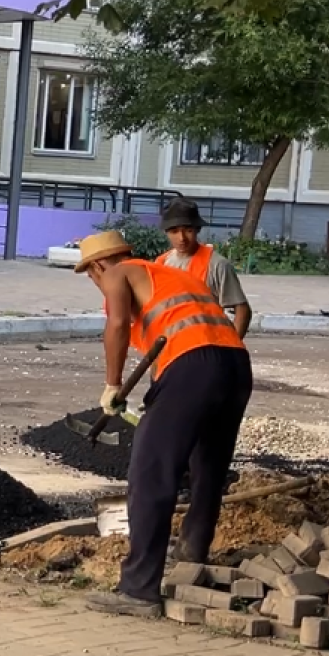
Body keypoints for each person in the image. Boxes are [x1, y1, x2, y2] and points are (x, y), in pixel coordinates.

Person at [73, 230, 252, 619]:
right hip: (236, 364)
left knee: (151, 472)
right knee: (208, 467)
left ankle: (138, 590)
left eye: (91, 275)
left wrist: (112, 384)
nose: (97, 283)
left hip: (194, 366)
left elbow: (117, 326)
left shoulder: (119, 274)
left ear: (99, 265)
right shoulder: (167, 275)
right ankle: (192, 551)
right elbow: (172, 354)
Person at [157, 198, 252, 338]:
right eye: (174, 231)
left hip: (207, 343)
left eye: (188, 230)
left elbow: (242, 310)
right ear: (166, 232)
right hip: (172, 345)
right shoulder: (162, 263)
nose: (181, 238)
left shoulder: (217, 265)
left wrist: (234, 347)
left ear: (197, 229)